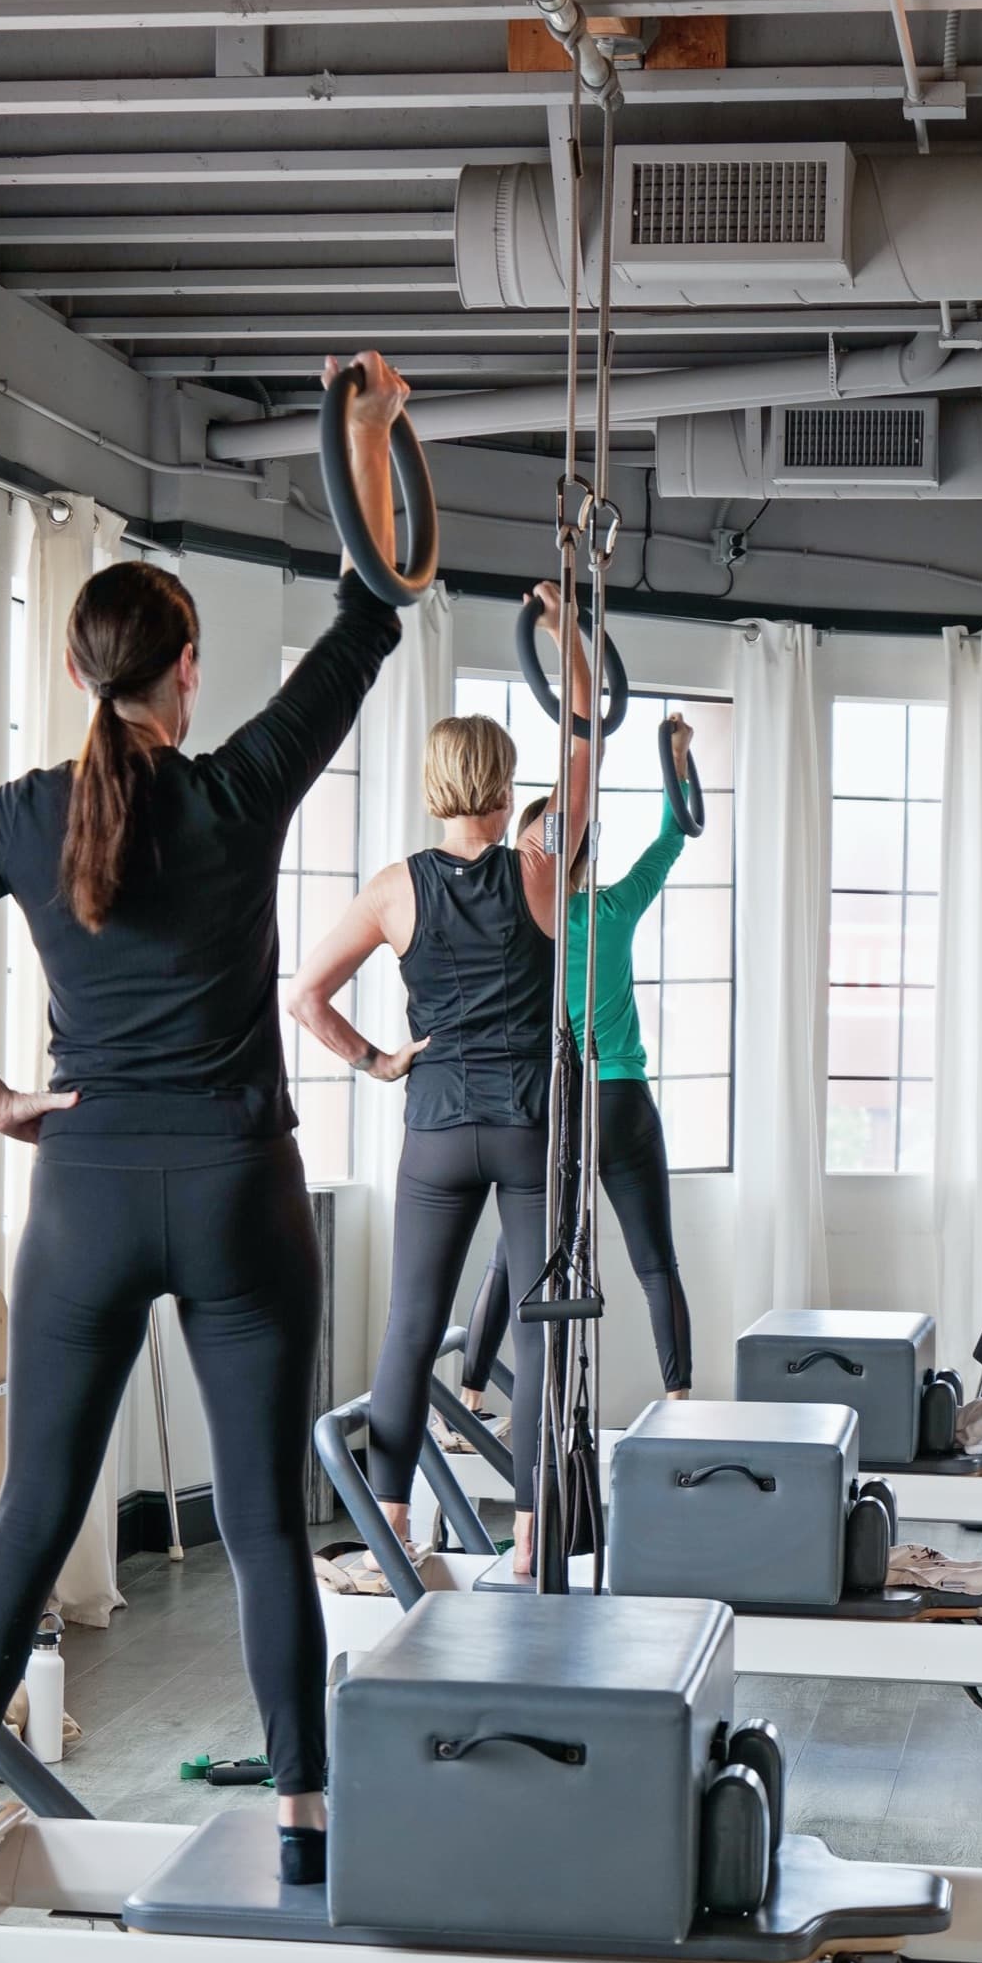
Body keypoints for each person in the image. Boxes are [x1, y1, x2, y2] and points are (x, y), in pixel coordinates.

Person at [0, 351, 410, 1887]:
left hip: (83, 1195)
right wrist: (360, 435)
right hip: (238, 1190)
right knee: (262, 1525)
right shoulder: (237, 791)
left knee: (33, 1506)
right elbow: (376, 603)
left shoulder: (20, 817)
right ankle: (303, 1831)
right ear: (184, 671)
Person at [286, 587, 592, 1577]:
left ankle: (392, 1527)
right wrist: (566, 637)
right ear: (507, 794)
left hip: (435, 1121)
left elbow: (304, 997)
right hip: (524, 1122)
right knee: (542, 1316)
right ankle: (537, 1528)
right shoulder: (539, 866)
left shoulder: (395, 886)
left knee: (410, 1320)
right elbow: (586, 739)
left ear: (432, 791)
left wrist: (377, 1061)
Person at [453, 719, 695, 1433]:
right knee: (655, 1260)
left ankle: (466, 1405)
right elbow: (671, 839)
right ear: (585, 853)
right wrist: (675, 763)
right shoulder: (612, 907)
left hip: (552, 1107)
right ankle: (680, 1403)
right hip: (619, 1098)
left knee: (509, 1256)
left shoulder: (517, 926)